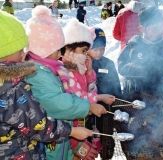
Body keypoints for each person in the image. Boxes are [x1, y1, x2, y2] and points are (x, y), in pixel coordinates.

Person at [0, 10, 93, 160]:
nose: (24, 54)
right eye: (20, 50)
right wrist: (72, 131)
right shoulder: (11, 89)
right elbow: (38, 124)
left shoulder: (14, 81)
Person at [24, 6, 107, 160]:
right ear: (45, 48)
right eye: (58, 49)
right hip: (49, 146)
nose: (61, 54)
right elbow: (58, 104)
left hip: (61, 143)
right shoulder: (38, 73)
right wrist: (89, 107)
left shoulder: (49, 69)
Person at [62, 19, 115, 160]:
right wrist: (99, 98)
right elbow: (79, 98)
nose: (87, 55)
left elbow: (91, 90)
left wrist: (90, 71)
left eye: (87, 51)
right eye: (85, 51)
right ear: (69, 49)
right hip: (73, 132)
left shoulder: (81, 67)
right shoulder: (66, 72)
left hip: (85, 122)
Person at [87, 27, 122, 159]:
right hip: (88, 111)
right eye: (96, 48)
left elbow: (117, 89)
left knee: (107, 142)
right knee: (89, 143)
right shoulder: (82, 63)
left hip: (106, 111)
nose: (100, 52)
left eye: (103, 48)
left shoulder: (108, 63)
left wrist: (118, 107)